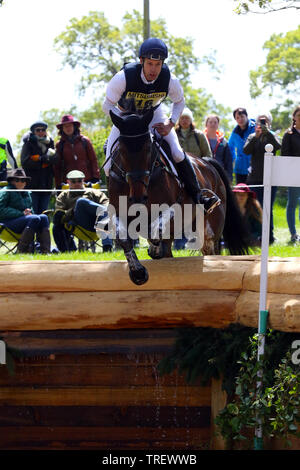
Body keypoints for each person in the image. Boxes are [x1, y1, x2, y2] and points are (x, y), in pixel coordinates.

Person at [102, 37, 220, 215]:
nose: (153, 70)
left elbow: (179, 102)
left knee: (178, 153)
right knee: (108, 165)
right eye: (150, 64)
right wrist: (126, 123)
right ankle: (111, 209)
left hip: (154, 115)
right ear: (141, 61)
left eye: (158, 64)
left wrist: (170, 122)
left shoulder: (169, 79)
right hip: (126, 119)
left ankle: (199, 196)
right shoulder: (123, 77)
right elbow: (107, 105)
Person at [52, 170, 113, 253]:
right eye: (73, 181)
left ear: (83, 181)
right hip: (77, 225)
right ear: (68, 182)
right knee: (81, 202)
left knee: (105, 212)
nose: (77, 183)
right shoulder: (64, 195)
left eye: (79, 181)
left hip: (96, 223)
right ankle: (67, 250)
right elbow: (59, 214)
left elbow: (107, 203)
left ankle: (107, 248)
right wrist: (73, 211)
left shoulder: (94, 192)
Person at [243, 112, 281, 244]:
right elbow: (246, 150)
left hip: (271, 178)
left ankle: (269, 236)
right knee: (254, 208)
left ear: (269, 123)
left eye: (265, 121)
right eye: (260, 121)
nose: (262, 123)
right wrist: (256, 136)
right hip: (255, 179)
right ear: (256, 123)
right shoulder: (252, 136)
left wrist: (268, 132)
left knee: (267, 208)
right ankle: (255, 235)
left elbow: (278, 146)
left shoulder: (272, 136)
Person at [0, 168, 51, 253]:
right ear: (12, 181)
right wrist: (21, 213)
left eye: (23, 180)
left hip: (25, 222)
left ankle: (45, 252)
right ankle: (21, 251)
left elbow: (31, 212)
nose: (21, 182)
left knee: (43, 217)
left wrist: (29, 213)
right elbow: (1, 210)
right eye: (17, 180)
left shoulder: (27, 193)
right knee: (34, 218)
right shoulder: (5, 191)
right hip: (6, 224)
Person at [54, 115, 100, 189]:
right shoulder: (60, 144)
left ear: (74, 127)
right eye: (65, 126)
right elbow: (57, 167)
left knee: (122, 198)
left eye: (70, 125)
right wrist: (58, 185)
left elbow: (93, 160)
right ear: (62, 129)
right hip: (69, 183)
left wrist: (96, 177)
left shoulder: (85, 141)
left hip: (87, 181)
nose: (68, 128)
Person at [21, 121, 57, 214]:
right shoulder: (28, 143)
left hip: (47, 184)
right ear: (33, 131)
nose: (41, 132)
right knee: (33, 213)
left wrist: (45, 160)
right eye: (38, 130)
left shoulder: (50, 142)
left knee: (44, 212)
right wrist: (42, 160)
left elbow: (55, 159)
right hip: (32, 185)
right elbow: (25, 163)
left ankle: (44, 228)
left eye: (43, 130)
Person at [281, 105, 300, 244]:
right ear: (294, 117)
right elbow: (285, 154)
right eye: (299, 115)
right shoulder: (288, 134)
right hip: (293, 173)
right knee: (292, 203)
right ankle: (293, 233)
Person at [228, 107, 256, 184]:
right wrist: (233, 160)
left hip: (255, 167)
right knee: (241, 193)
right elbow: (230, 148)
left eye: (242, 116)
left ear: (246, 116)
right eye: (237, 117)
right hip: (240, 168)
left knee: (253, 193)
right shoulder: (235, 133)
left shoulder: (255, 128)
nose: (240, 119)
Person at [204, 114, 233, 181]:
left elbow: (228, 161)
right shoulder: (200, 139)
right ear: (206, 124)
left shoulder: (223, 141)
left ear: (218, 125)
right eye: (210, 122)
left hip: (220, 174)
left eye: (215, 122)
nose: (213, 124)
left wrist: (229, 178)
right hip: (205, 173)